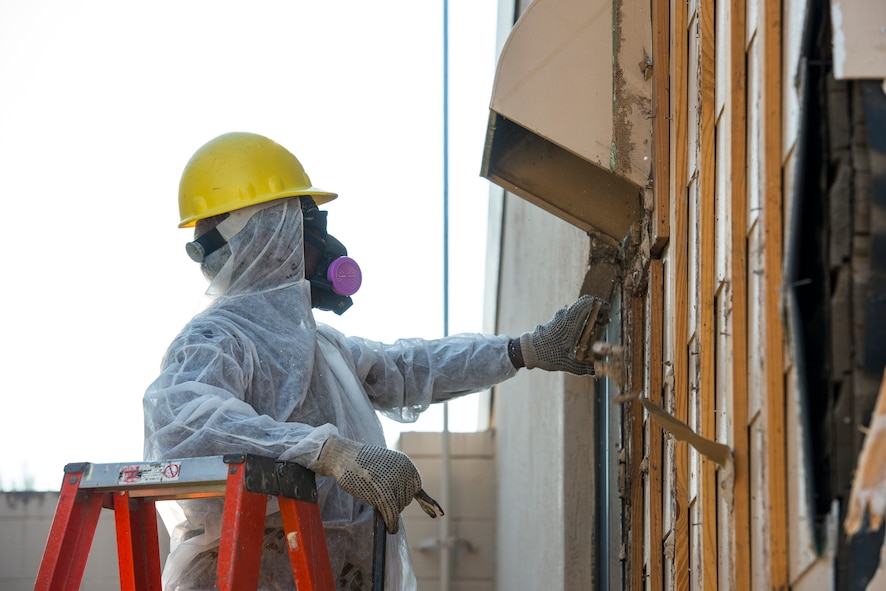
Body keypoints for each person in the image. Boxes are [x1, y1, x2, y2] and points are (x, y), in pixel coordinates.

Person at [143, 131, 606, 591]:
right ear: (269, 234)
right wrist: (328, 452)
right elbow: (180, 424)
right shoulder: (217, 339)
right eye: (308, 224)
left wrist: (522, 350)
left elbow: (409, 368)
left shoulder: (323, 349)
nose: (322, 243)